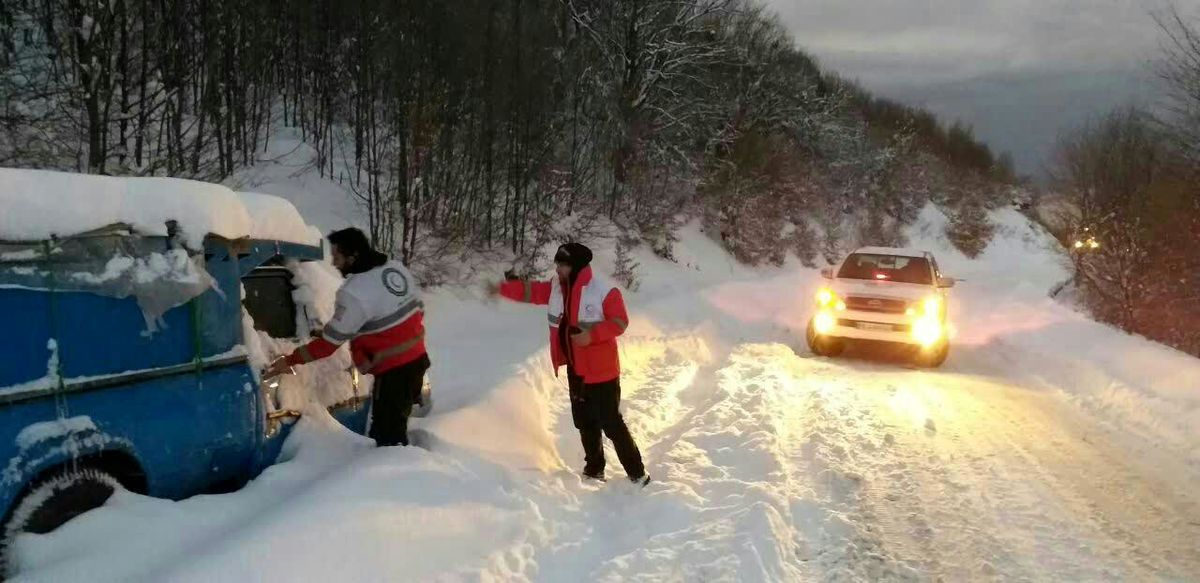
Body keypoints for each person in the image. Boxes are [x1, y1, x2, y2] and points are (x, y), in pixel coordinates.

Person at [492, 242, 650, 486]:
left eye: (562, 265)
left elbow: (620, 322)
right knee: (584, 421)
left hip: (602, 371)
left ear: (575, 267)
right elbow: (531, 292)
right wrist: (502, 289)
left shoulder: (602, 291)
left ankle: (637, 474)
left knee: (611, 423)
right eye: (557, 264)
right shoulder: (557, 288)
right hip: (575, 369)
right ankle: (594, 469)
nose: (557, 269)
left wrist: (592, 335)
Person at [264, 228, 429, 447]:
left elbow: (328, 345)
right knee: (395, 427)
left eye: (337, 257)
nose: (333, 263)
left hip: (393, 376)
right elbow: (418, 310)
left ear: (354, 256)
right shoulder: (395, 270)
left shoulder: (354, 293)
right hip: (418, 361)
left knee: (388, 437)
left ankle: (398, 477)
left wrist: (290, 360)